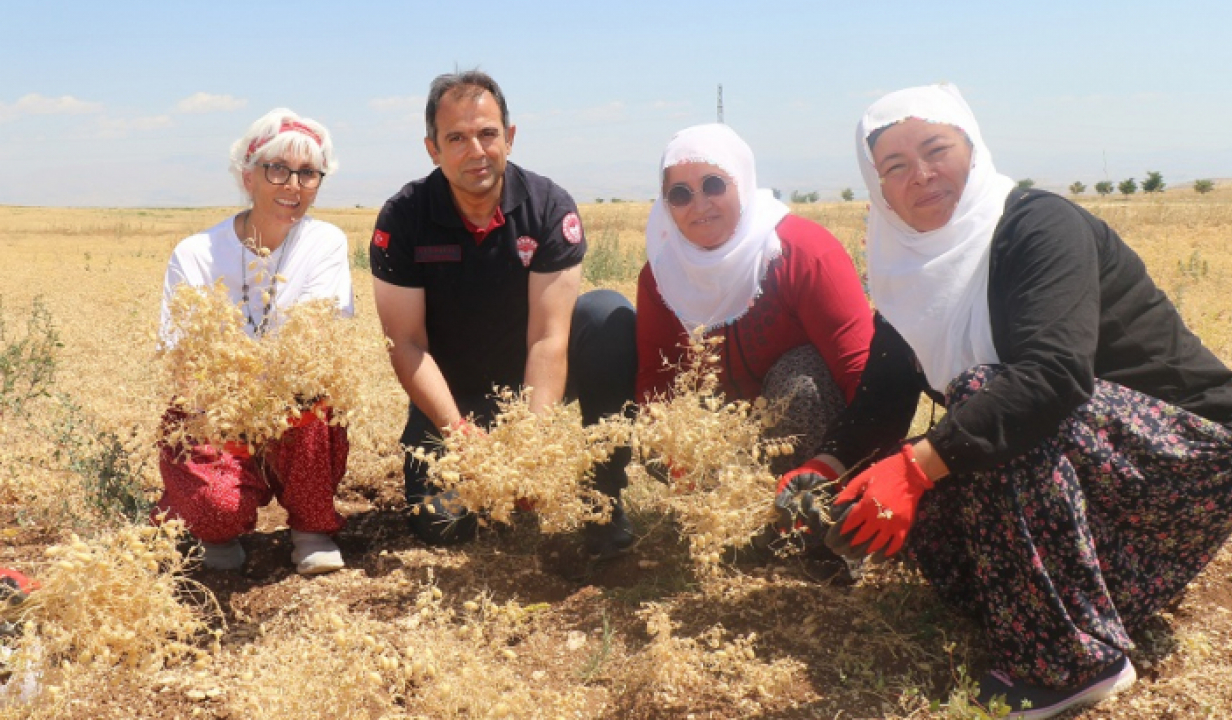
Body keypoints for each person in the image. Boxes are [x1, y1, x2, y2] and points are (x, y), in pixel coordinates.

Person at [789, 83, 1232, 718]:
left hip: (1194, 458)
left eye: (937, 149)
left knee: (978, 403)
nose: (922, 176)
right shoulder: (907, 270)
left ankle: (1073, 665)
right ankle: (1087, 595)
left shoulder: (1037, 225)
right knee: (925, 503)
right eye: (895, 166)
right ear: (877, 185)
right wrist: (825, 468)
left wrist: (913, 470)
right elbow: (883, 398)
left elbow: (1051, 378)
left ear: (974, 148)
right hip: (1093, 461)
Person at [370, 70, 636, 559]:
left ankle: (603, 497)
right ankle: (465, 465)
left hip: (531, 388)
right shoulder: (403, 217)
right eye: (456, 138)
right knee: (444, 525)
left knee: (607, 316)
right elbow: (405, 343)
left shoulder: (549, 208)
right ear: (432, 149)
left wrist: (529, 444)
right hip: (454, 398)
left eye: (487, 133)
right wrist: (458, 434)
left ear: (509, 139)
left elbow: (548, 338)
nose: (476, 150)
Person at [152, 109, 354, 575]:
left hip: (290, 399)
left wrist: (262, 393)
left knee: (318, 402)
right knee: (215, 511)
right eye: (277, 170)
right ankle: (216, 527)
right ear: (248, 176)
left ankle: (310, 526)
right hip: (215, 406)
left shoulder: (325, 243)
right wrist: (234, 411)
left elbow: (315, 343)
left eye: (308, 174)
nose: (293, 185)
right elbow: (185, 360)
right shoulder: (196, 253)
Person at [637, 123, 874, 517]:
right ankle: (734, 518)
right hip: (722, 441)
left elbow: (860, 372)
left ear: (742, 182)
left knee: (804, 378)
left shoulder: (802, 252)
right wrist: (674, 451)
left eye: (713, 185)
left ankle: (815, 507)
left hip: (816, 445)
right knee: (665, 421)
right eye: (680, 194)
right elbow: (656, 380)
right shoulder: (662, 274)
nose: (699, 205)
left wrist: (866, 466)